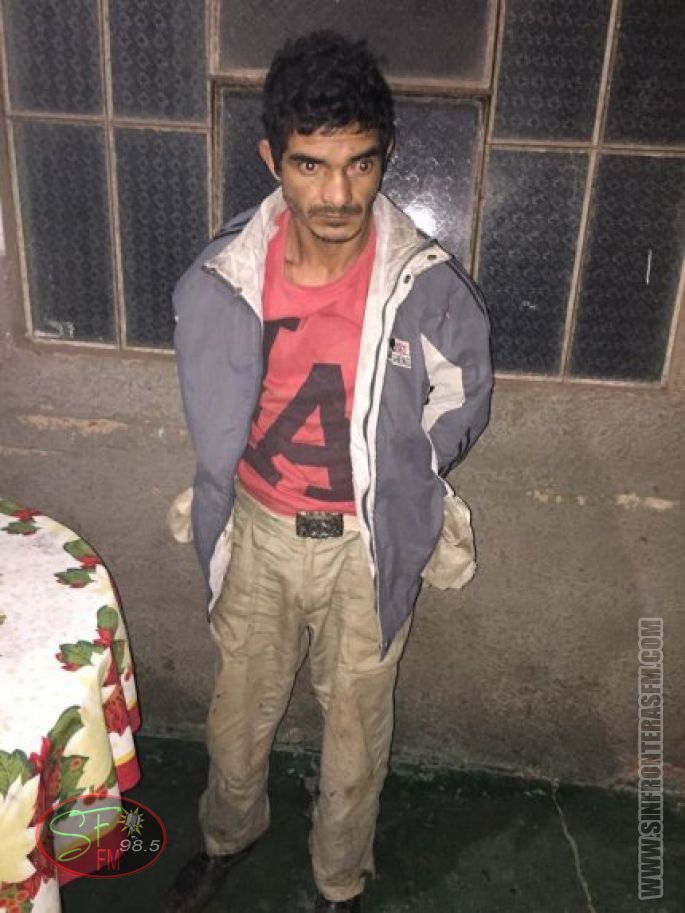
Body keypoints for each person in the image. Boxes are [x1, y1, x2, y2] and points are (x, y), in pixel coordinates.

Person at [166, 29, 493, 913]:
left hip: (365, 547)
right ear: (272, 159)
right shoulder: (223, 275)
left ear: (385, 157)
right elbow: (208, 384)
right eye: (310, 166)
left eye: (360, 164)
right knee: (236, 720)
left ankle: (338, 882)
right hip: (259, 531)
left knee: (356, 738)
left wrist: (405, 479)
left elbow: (461, 399)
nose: (338, 194)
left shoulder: (426, 287)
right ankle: (228, 838)